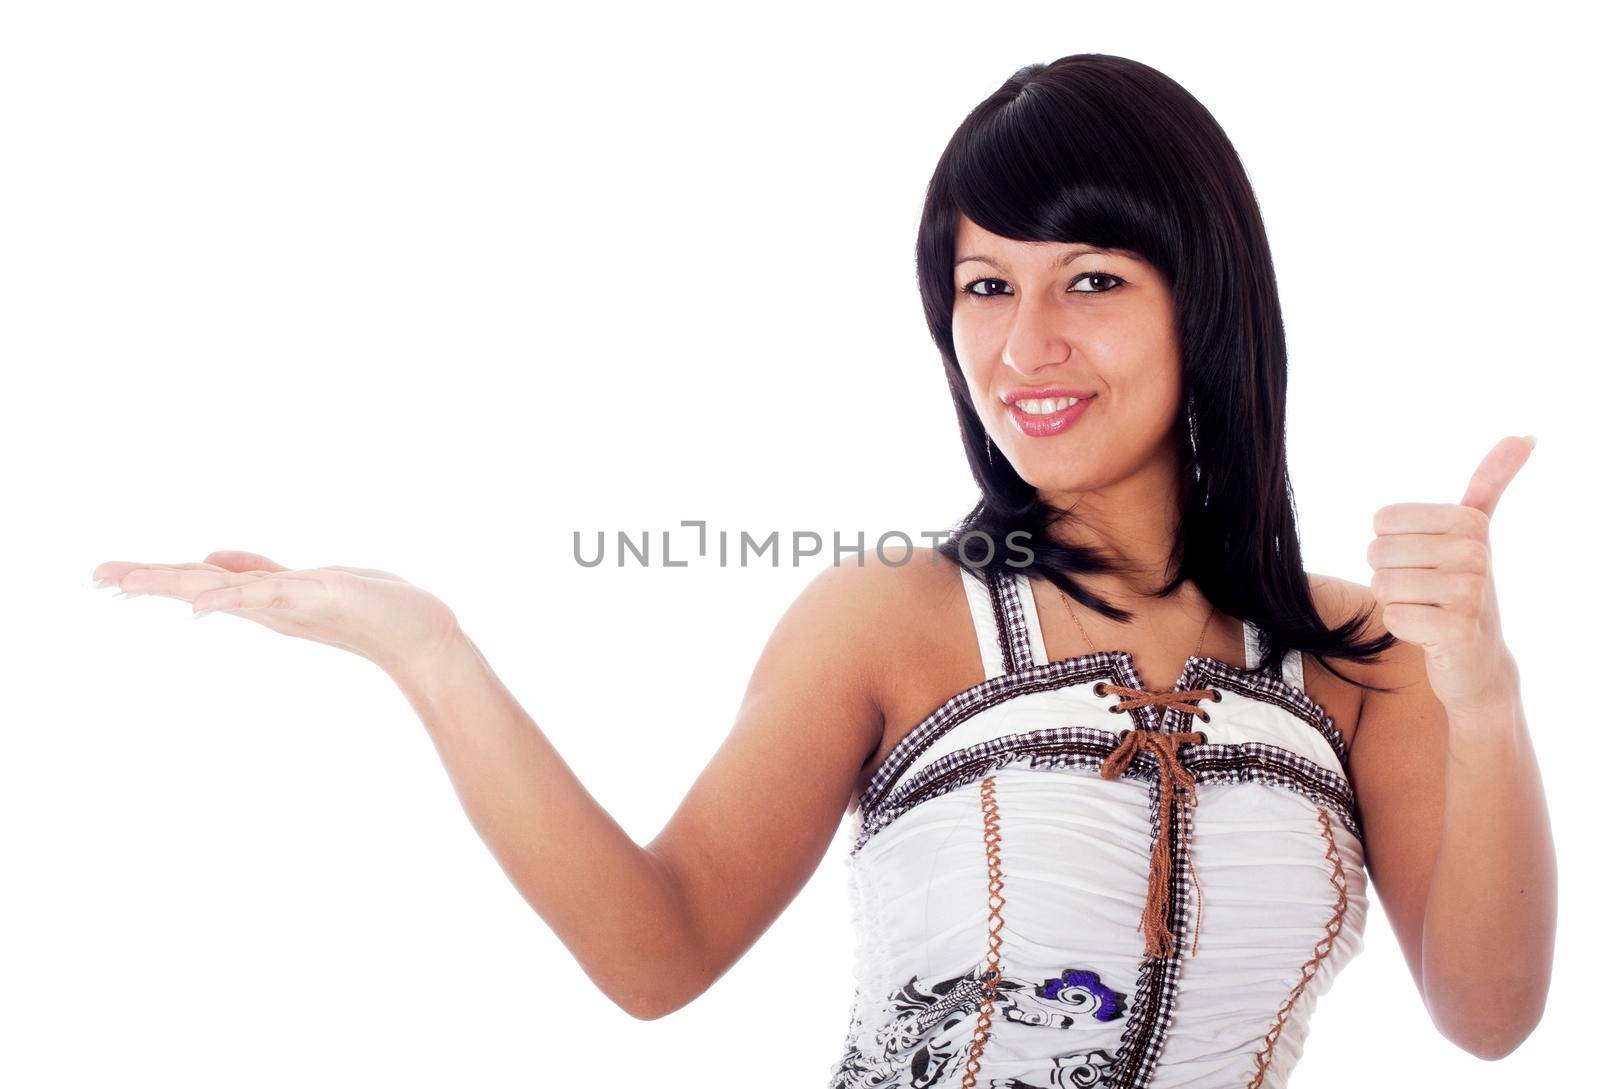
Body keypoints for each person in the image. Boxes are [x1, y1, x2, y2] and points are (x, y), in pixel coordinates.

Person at [92, 53, 1554, 1087]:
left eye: (1090, 279)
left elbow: (1490, 1019)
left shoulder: (1365, 656)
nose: (1024, 345)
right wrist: (428, 647)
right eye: (987, 286)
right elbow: (657, 953)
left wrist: (1483, 695)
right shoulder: (891, 618)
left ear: (1206, 298)